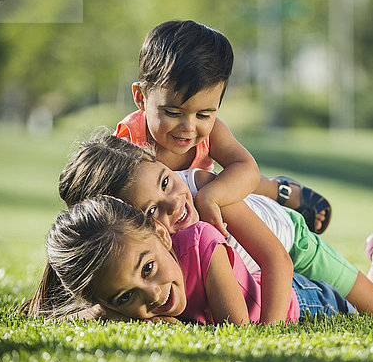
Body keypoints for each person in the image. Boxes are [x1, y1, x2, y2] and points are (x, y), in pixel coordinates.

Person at [55, 134, 373, 317]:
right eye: (152, 212)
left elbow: (275, 256)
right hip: (262, 276)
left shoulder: (203, 194)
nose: (173, 205)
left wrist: (272, 331)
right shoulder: (130, 251)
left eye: (167, 183)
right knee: (372, 306)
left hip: (289, 244)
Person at [24, 196, 373, 325]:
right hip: (292, 290)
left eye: (148, 270)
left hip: (303, 301)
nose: (154, 295)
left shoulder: (202, 248)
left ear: (161, 234)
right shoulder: (125, 283)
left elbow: (238, 331)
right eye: (127, 296)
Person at [115, 19, 331, 235]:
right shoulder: (127, 144)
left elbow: (246, 168)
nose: (188, 126)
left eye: (203, 114)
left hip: (206, 194)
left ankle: (279, 191)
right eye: (173, 113)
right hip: (167, 215)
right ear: (141, 97)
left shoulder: (213, 132)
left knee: (230, 185)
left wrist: (210, 196)